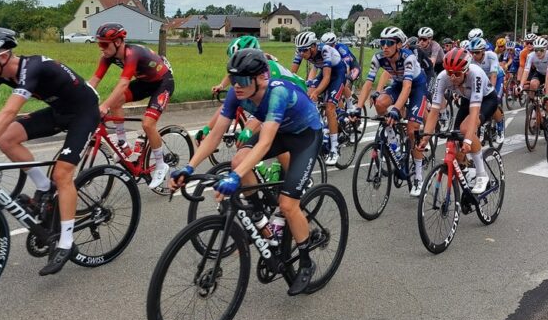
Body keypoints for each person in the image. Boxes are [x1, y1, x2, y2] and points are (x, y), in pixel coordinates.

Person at [0, 28, 100, 275]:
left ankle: (66, 242)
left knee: (62, 175)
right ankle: (43, 187)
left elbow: (7, 113)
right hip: (58, 110)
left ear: (4, 56)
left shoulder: (33, 68)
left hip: (84, 112)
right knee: (7, 139)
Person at [171, 49, 320, 295]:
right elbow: (215, 135)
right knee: (238, 158)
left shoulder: (277, 93)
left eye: (241, 80)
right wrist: (189, 167)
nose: (236, 86)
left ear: (260, 78)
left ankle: (305, 261)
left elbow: (263, 144)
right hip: (282, 132)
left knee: (288, 204)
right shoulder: (236, 94)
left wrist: (236, 177)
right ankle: (260, 214)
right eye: (232, 79)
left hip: (305, 136)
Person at [88, 23, 175, 189]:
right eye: (99, 44)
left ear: (118, 42)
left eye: (104, 44)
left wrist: (104, 106)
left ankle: (161, 164)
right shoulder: (108, 56)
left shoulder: (132, 53)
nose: (101, 48)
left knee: (148, 124)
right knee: (117, 101)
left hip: (163, 82)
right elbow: (94, 80)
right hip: (145, 82)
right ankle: (123, 145)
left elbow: (122, 84)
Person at [349, 27, 427, 196]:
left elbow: (408, 87)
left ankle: (418, 177)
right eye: (381, 42)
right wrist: (357, 107)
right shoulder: (378, 58)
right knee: (380, 103)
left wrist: (396, 110)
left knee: (413, 129)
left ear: (398, 45)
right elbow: (368, 84)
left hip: (416, 86)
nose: (384, 46)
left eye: (388, 43)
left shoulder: (409, 58)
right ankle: (394, 142)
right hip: (399, 84)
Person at [420, 47, 497, 194]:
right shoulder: (442, 77)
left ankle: (482, 175)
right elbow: (435, 111)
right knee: (454, 141)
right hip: (466, 100)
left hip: (487, 100)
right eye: (449, 73)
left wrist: (468, 139)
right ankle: (467, 172)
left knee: (465, 129)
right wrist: (426, 137)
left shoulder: (476, 74)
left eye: (456, 74)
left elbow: (475, 111)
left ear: (466, 71)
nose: (452, 77)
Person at [290, 31, 346, 166]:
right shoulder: (301, 51)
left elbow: (327, 78)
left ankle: (334, 148)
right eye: (299, 50)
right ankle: (320, 127)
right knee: (308, 94)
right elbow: (291, 74)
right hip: (324, 73)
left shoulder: (325, 50)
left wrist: (316, 92)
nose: (301, 53)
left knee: (329, 107)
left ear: (313, 47)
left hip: (337, 73)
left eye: (304, 50)